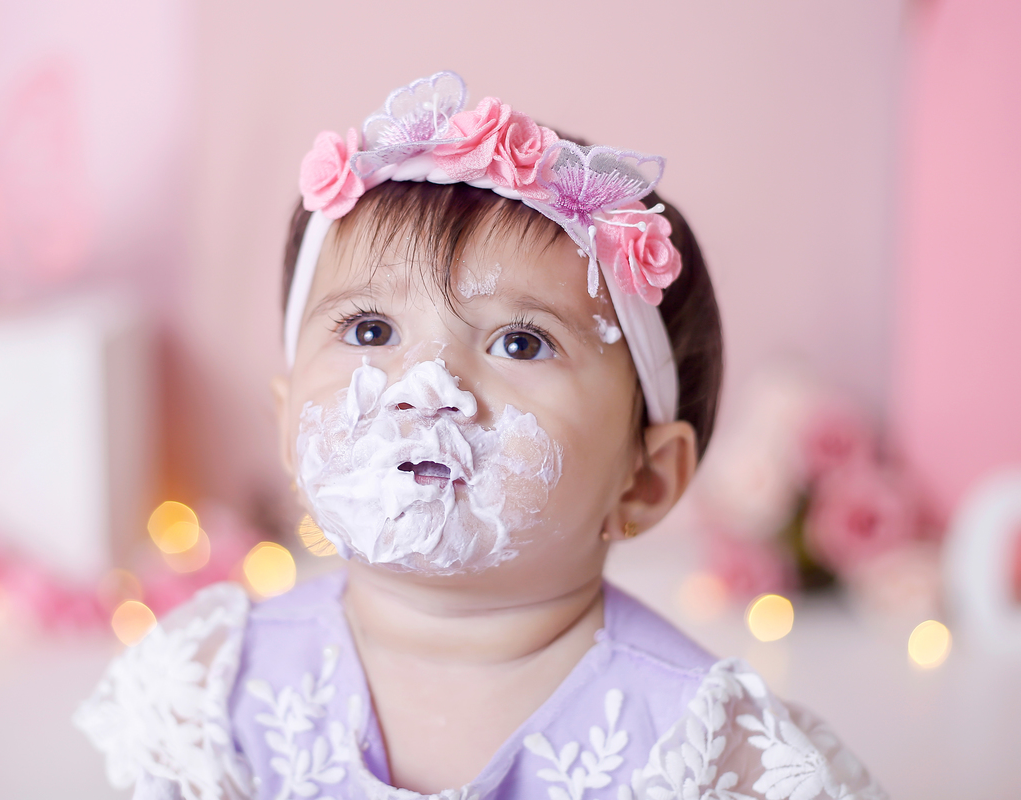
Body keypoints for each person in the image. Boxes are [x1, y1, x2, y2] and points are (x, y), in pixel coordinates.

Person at [75, 71, 885, 800]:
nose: (427, 386)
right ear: (288, 426)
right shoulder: (217, 692)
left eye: (520, 343)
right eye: (369, 330)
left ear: (644, 479)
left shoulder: (700, 749)